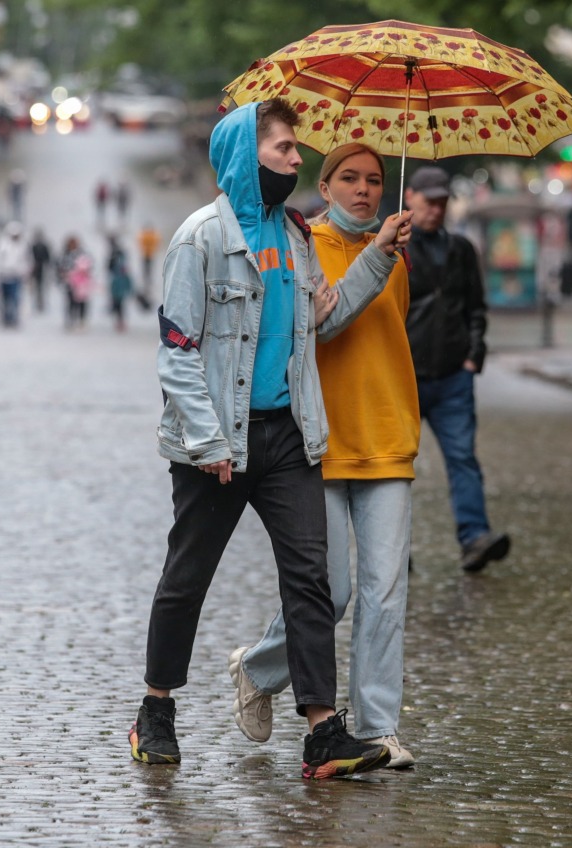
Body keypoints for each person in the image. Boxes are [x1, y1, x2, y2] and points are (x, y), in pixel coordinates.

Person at [131, 98, 412, 780]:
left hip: (288, 436)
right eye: (285, 148)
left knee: (310, 582)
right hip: (216, 444)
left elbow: (326, 320)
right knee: (187, 577)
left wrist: (376, 256)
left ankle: (323, 732)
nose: (296, 159)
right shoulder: (200, 238)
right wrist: (210, 441)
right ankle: (155, 710)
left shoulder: (294, 237)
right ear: (243, 156)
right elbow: (176, 349)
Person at [229, 142, 421, 770]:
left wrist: (387, 255)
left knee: (386, 592)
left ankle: (378, 728)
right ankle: (259, 667)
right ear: (326, 183)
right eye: (349, 178)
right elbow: (320, 327)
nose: (364, 189)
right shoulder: (299, 244)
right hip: (320, 440)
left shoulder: (400, 256)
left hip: (387, 437)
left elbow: (391, 337)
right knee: (331, 592)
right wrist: (376, 254)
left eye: (373, 179)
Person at [403, 165, 511, 573]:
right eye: (429, 201)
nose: (436, 209)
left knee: (463, 457)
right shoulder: (390, 247)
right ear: (410, 196)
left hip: (452, 376)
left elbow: (476, 308)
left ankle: (474, 538)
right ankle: (395, 547)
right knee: (395, 467)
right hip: (404, 377)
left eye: (442, 202)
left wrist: (472, 357)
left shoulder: (461, 249)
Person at [0, 221, 30, 328]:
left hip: (16, 276)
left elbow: (27, 260)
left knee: (15, 298)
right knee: (5, 298)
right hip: (3, 276)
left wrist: (25, 272)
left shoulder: (23, 245)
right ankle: (5, 317)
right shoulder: (1, 244)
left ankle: (14, 317)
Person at [56, 235, 92, 330]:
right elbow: (59, 267)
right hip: (69, 283)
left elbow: (88, 266)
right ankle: (71, 320)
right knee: (70, 302)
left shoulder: (82, 254)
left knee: (82, 302)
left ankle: (81, 319)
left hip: (81, 284)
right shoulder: (64, 254)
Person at [105, 235, 134, 332]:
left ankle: (120, 320)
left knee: (118, 303)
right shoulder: (118, 254)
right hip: (118, 283)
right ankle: (120, 320)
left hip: (118, 283)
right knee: (119, 303)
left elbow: (108, 268)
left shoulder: (115, 255)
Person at [29, 228, 52, 313]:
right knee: (34, 287)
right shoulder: (33, 246)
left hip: (42, 269)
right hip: (34, 269)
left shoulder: (44, 246)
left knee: (41, 287)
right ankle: (36, 302)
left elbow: (48, 258)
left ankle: (41, 302)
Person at [137, 222, 160, 301]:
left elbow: (140, 242)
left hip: (146, 254)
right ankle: (148, 279)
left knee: (146, 268)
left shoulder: (144, 235)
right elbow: (157, 243)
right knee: (149, 268)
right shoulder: (153, 235)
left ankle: (146, 279)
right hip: (150, 254)